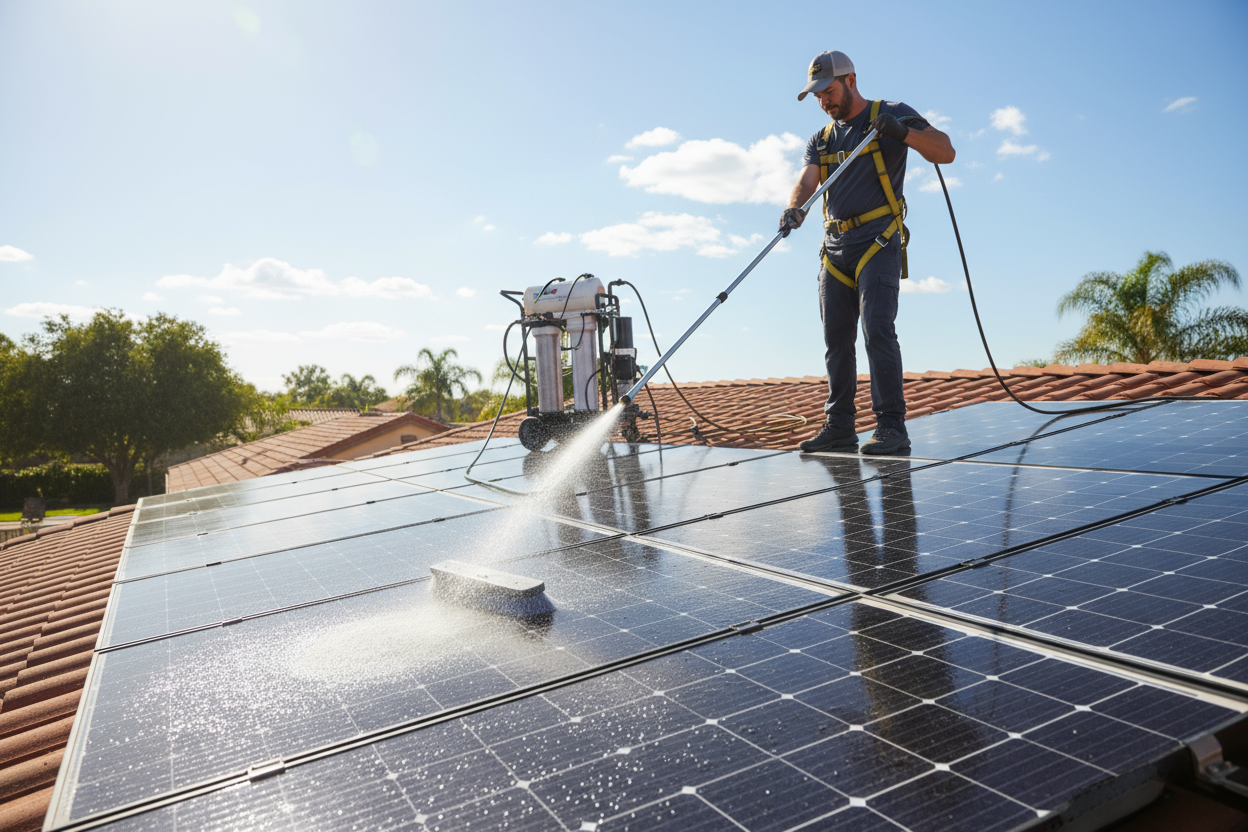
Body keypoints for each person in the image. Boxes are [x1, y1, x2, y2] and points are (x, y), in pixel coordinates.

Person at [781, 50, 955, 455]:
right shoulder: (821, 139)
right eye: (817, 95)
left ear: (851, 80)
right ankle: (840, 427)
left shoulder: (891, 113)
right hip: (835, 250)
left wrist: (902, 133)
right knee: (835, 339)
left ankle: (892, 428)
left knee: (878, 331)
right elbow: (807, 181)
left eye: (828, 90)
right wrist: (793, 208)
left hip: (878, 241)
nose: (823, 100)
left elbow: (944, 151)